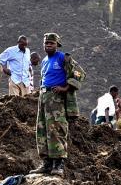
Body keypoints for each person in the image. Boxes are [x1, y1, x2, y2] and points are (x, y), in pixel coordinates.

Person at [30, 33, 82, 177]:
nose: (48, 45)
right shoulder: (45, 60)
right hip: (44, 97)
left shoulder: (63, 57)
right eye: (46, 43)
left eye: (51, 43)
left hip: (56, 99)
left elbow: (79, 73)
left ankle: (58, 165)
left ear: (57, 45)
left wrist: (65, 88)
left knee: (56, 129)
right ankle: (46, 164)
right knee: (42, 130)